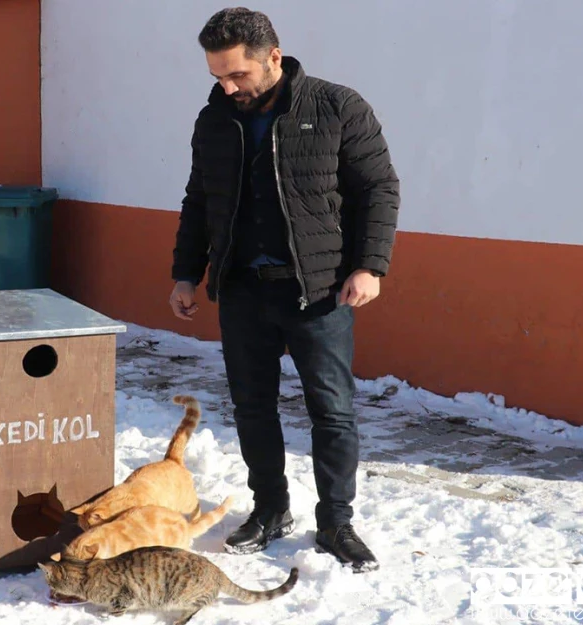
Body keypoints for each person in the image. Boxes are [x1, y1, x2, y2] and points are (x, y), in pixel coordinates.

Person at [169, 7, 399, 573]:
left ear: (274, 56)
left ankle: (337, 523)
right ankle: (271, 510)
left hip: (318, 292)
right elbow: (200, 200)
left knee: (332, 411)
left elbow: (378, 189)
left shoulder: (337, 106)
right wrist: (185, 272)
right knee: (253, 408)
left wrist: (369, 265)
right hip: (243, 289)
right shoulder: (214, 119)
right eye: (217, 77)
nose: (228, 87)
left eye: (237, 75)